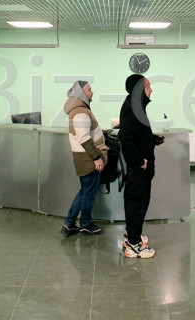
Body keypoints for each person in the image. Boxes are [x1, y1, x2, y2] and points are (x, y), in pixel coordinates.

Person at [118, 74, 159, 258]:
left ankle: (132, 235)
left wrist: (152, 139)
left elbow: (136, 133)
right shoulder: (134, 107)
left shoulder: (135, 105)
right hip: (139, 168)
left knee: (137, 202)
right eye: (148, 86)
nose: (151, 89)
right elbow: (125, 136)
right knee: (137, 203)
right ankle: (133, 244)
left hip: (140, 166)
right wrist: (138, 161)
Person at [61, 81, 107, 236]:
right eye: (89, 90)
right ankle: (86, 225)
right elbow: (84, 137)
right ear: (81, 93)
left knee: (84, 191)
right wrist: (96, 157)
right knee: (88, 193)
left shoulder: (78, 110)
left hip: (84, 157)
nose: (92, 92)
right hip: (88, 158)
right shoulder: (81, 111)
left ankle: (69, 224)